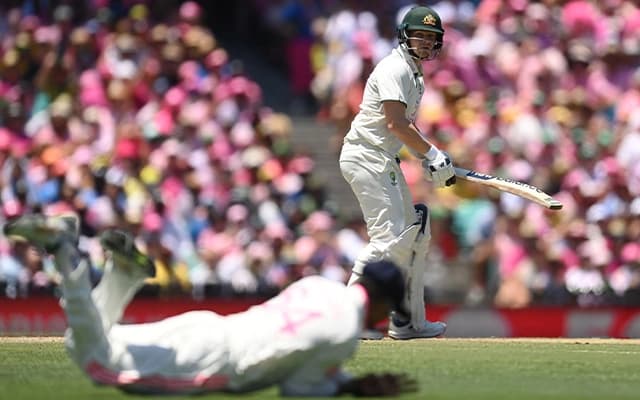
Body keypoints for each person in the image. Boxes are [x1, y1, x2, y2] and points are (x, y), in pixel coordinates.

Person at [3, 213, 417, 397]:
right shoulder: (345, 334)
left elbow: (303, 341)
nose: (387, 318)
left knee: (85, 342)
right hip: (210, 363)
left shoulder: (319, 285)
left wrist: (340, 379)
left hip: (210, 327)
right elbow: (297, 390)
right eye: (391, 308)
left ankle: (121, 276)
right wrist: (346, 388)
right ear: (381, 302)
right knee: (97, 360)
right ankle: (64, 252)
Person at [339, 5, 455, 340]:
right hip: (366, 156)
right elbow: (395, 123)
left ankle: (408, 321)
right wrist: (431, 153)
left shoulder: (414, 73)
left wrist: (429, 158)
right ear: (405, 35)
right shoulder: (394, 68)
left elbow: (402, 127)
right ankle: (346, 319)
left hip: (383, 157)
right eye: (419, 35)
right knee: (388, 239)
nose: (425, 42)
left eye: (431, 38)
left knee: (415, 234)